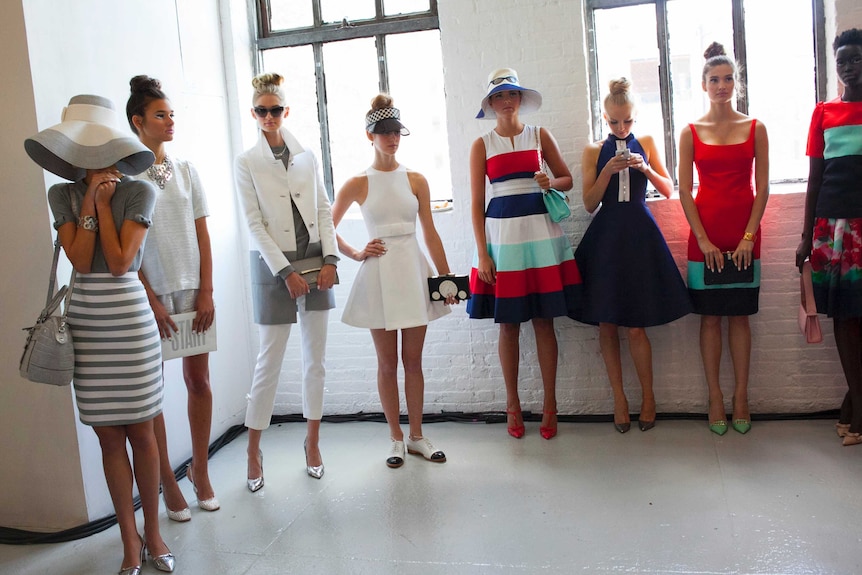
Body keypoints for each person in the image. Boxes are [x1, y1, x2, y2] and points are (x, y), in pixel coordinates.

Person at [25, 95, 175, 574]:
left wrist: (106, 203)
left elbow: (118, 264)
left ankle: (153, 533)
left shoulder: (141, 191)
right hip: (87, 323)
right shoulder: (61, 195)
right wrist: (90, 201)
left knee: (144, 436)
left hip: (129, 323)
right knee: (110, 438)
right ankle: (129, 541)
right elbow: (77, 257)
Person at [331, 94, 456, 468]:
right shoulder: (357, 182)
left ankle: (417, 435)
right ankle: (395, 439)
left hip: (413, 270)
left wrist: (446, 278)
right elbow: (326, 227)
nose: (391, 138)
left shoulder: (416, 179)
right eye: (384, 132)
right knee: (387, 364)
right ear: (369, 134)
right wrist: (355, 253)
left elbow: (430, 232)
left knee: (413, 361)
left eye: (396, 131)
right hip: (379, 274)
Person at [234, 73, 338, 490]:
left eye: (275, 110)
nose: (269, 117)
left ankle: (312, 445)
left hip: (317, 263)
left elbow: (323, 207)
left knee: (316, 362)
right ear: (254, 114)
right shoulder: (247, 162)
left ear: (286, 111)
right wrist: (286, 272)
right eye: (261, 111)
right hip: (273, 266)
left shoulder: (307, 155)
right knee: (268, 363)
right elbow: (253, 223)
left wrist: (330, 259)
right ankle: (252, 450)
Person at [467, 68, 582, 440]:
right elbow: (475, 203)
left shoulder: (539, 135)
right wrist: (483, 254)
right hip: (503, 240)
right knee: (508, 324)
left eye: (511, 94)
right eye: (498, 96)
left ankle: (551, 404)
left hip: (541, 235)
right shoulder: (481, 144)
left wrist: (552, 180)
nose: (505, 101)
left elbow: (567, 179)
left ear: (520, 99)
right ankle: (512, 404)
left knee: (545, 321)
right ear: (491, 103)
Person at [574, 78, 691, 433]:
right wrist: (608, 171)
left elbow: (669, 189)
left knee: (637, 326)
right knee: (607, 324)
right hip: (607, 235)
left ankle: (649, 398)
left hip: (639, 234)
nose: (621, 128)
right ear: (605, 118)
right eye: (614, 122)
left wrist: (644, 167)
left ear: (634, 117)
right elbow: (589, 203)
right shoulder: (593, 151)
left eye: (627, 121)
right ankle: (619, 400)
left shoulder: (649, 142)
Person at [125, 75, 219, 520]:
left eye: (171, 114)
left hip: (193, 294)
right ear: (137, 122)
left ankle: (199, 471)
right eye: (160, 115)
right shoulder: (126, 179)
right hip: (152, 298)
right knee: (153, 395)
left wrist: (207, 291)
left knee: (199, 382)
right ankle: (166, 482)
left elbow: (202, 234)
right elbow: (130, 250)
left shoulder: (186, 171)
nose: (169, 121)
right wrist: (151, 299)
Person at [678, 42, 769, 436]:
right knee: (711, 318)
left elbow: (763, 188)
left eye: (728, 78)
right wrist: (703, 239)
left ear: (736, 84)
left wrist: (749, 237)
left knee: (740, 318)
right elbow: (684, 191)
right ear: (703, 84)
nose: (722, 85)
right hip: (705, 239)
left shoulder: (755, 127)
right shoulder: (690, 131)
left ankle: (742, 396)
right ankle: (715, 396)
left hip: (746, 235)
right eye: (715, 79)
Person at [796, 28, 862, 447]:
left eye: (855, 58)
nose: (848, 66)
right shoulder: (823, 112)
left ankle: (853, 406)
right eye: (842, 60)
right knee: (845, 316)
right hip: (832, 230)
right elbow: (815, 178)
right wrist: (805, 237)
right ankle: (857, 405)